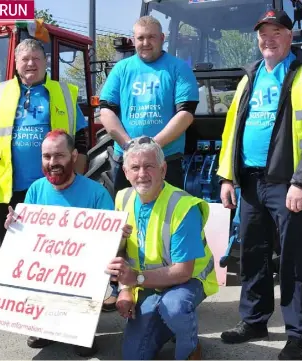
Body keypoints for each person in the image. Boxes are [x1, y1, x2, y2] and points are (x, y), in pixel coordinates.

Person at [216, 9, 302, 360]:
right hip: (251, 182)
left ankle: (299, 333)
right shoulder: (249, 77)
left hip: (287, 185)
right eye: (263, 34)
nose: (268, 39)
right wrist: (227, 177)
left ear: (290, 35)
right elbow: (231, 132)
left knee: (294, 260)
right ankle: (254, 320)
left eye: (276, 32)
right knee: (252, 254)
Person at [98, 14, 199, 311]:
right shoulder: (122, 69)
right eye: (140, 38)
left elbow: (186, 114)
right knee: (121, 227)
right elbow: (106, 111)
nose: (145, 43)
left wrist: (154, 145)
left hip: (166, 161)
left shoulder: (178, 69)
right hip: (126, 161)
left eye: (151, 37)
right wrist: (129, 145)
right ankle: (118, 285)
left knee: (168, 224)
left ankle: (167, 283)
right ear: (134, 40)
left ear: (162, 38)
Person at [3, 129, 131, 357]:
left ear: (73, 156)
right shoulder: (35, 190)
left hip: (84, 270)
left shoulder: (96, 193)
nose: (52, 162)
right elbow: (26, 244)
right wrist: (14, 228)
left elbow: (111, 248)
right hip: (47, 268)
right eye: (47, 156)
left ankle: (81, 328)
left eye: (59, 156)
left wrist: (118, 235)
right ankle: (44, 325)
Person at [105, 136, 219, 360]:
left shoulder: (183, 206)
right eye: (135, 168)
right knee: (133, 356)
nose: (141, 174)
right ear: (126, 173)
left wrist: (133, 280)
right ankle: (167, 325)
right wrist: (125, 289)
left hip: (187, 282)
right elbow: (122, 252)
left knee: (174, 306)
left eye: (149, 166)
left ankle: (189, 346)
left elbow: (182, 272)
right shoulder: (122, 198)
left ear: (163, 169)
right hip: (147, 282)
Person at [0, 38, 89, 242]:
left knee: (54, 244)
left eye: (36, 58)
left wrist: (75, 180)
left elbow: (81, 142)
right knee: (16, 247)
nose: (31, 64)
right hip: (12, 189)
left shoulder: (64, 93)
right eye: (25, 59)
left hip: (55, 187)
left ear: (46, 62)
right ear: (15, 63)